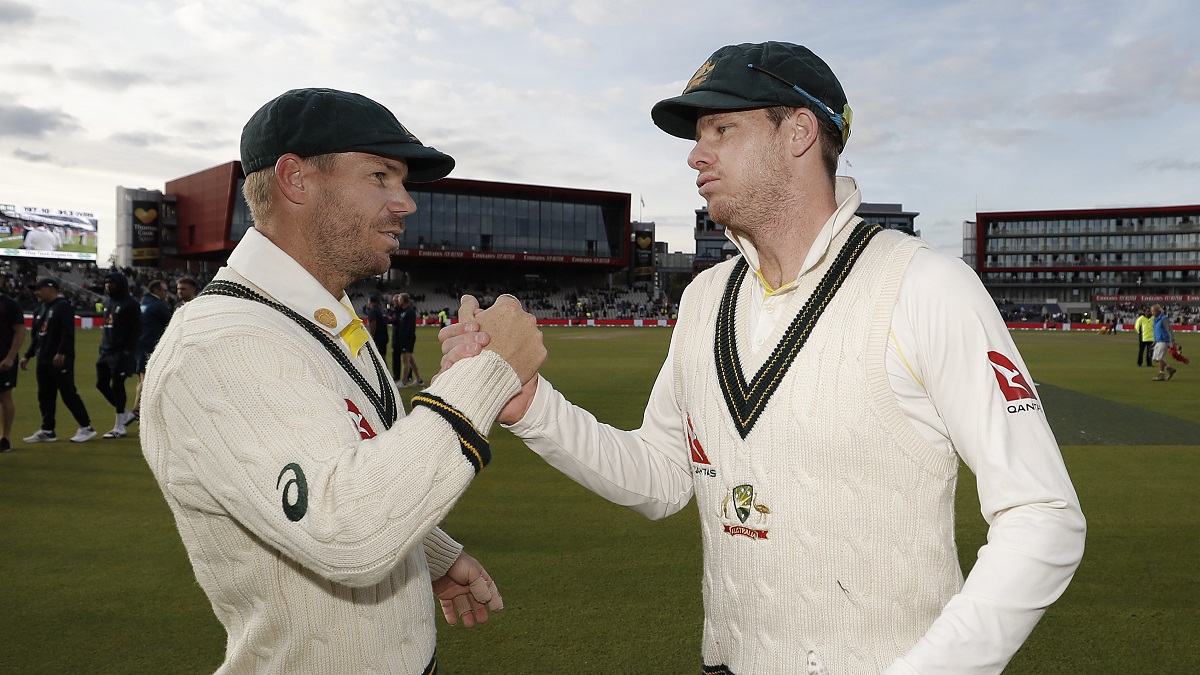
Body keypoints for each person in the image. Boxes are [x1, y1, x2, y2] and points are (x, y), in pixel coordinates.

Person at [443, 41, 1085, 674]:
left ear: (799, 132)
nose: (696, 155)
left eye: (722, 129)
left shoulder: (924, 286)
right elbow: (661, 477)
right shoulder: (704, 299)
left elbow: (1042, 515)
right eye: (698, 135)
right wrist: (532, 406)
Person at [139, 87, 545, 674]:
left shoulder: (322, 313)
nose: (406, 204)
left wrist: (430, 554)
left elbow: (347, 460)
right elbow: (345, 531)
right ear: (295, 179)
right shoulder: (221, 344)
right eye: (380, 176)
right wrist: (487, 375)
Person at [20, 278, 96, 443]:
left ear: (51, 289)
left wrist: (61, 352)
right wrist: (27, 355)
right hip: (43, 359)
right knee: (45, 396)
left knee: (68, 393)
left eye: (39, 289)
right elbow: (36, 337)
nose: (36, 292)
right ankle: (48, 430)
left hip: (60, 360)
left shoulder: (63, 306)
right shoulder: (38, 309)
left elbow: (67, 332)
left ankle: (86, 427)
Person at [95, 271, 141, 439]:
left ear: (121, 284)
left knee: (118, 385)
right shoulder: (107, 302)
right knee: (101, 384)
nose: (108, 285)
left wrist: (128, 350)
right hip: (105, 351)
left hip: (121, 352)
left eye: (112, 282)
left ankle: (119, 426)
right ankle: (126, 415)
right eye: (106, 282)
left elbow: (137, 329)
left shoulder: (131, 304)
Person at [128, 279, 173, 423]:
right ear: (156, 290)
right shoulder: (159, 305)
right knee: (147, 378)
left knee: (141, 377)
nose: (166, 293)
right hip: (150, 345)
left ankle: (139, 408)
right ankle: (137, 409)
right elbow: (172, 323)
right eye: (164, 290)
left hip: (138, 344)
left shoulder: (142, 303)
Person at [0, 275, 26, 452]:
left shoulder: (10, 304)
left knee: (4, 397)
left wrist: (10, 357)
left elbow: (20, 332)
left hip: (3, 358)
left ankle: (5, 438)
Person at [393, 292, 425, 387]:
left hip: (407, 339)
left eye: (399, 299)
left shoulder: (409, 312)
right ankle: (419, 380)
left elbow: (410, 328)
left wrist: (405, 338)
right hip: (404, 339)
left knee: (405, 360)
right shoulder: (404, 311)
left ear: (403, 300)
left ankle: (403, 381)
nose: (398, 301)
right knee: (411, 360)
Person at [1150, 304, 1178, 381]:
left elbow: (1169, 330)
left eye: (1153, 311)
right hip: (1158, 340)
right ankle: (1170, 369)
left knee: (1159, 358)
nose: (1152, 313)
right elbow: (1156, 331)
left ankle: (1161, 374)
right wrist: (1155, 340)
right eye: (1152, 311)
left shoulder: (1164, 319)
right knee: (1155, 358)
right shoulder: (1155, 319)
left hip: (1164, 341)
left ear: (1158, 311)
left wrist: (1172, 341)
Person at [365, 293, 389, 357]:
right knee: (383, 356)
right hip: (384, 335)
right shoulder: (382, 310)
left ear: (370, 301)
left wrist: (371, 336)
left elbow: (373, 324)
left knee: (377, 357)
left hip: (378, 337)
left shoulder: (372, 311)